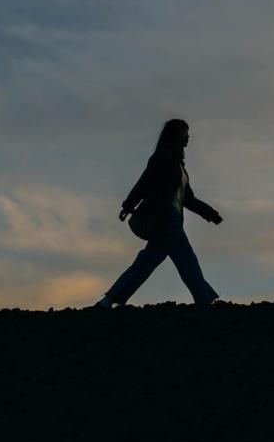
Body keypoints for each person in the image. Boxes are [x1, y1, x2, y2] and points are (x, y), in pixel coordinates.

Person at [93, 119, 223, 308]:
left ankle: (109, 300)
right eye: (185, 132)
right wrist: (129, 205)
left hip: (172, 220)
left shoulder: (180, 167)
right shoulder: (162, 157)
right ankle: (203, 300)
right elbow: (145, 182)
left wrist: (210, 214)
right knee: (186, 260)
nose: (188, 136)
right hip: (165, 217)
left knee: (148, 262)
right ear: (175, 134)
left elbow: (188, 199)